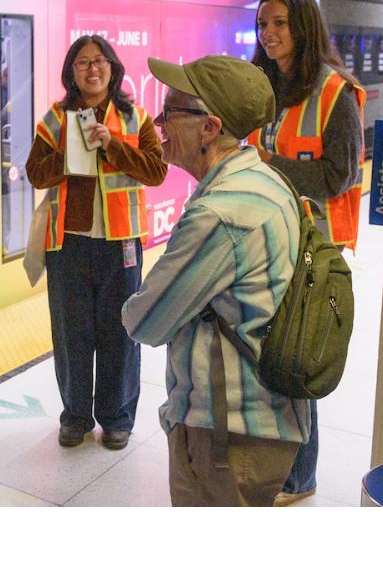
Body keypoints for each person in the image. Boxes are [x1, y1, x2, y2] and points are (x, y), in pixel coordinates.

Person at [121, 54, 310, 507]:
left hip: (227, 436)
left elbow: (144, 321)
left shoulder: (219, 213)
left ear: (210, 127)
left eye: (172, 112)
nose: (160, 121)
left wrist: (136, 300)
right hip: (265, 420)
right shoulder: (267, 180)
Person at [247, 0, 366, 506]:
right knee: (264, 355)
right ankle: (275, 462)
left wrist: (269, 169)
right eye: (262, 25)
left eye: (278, 24)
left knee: (294, 357)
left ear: (303, 27)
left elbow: (338, 174)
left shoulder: (335, 91)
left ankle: (299, 477)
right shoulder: (260, 85)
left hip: (310, 251)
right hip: (263, 238)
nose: (268, 35)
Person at [25, 35, 167, 451]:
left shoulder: (133, 117)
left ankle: (117, 417)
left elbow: (156, 171)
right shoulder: (56, 118)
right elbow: (35, 173)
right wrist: (68, 157)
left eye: (99, 61)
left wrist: (112, 145)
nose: (92, 69)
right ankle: (75, 417)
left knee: (120, 332)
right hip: (67, 243)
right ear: (72, 71)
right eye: (83, 62)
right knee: (72, 334)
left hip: (121, 242)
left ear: (113, 68)